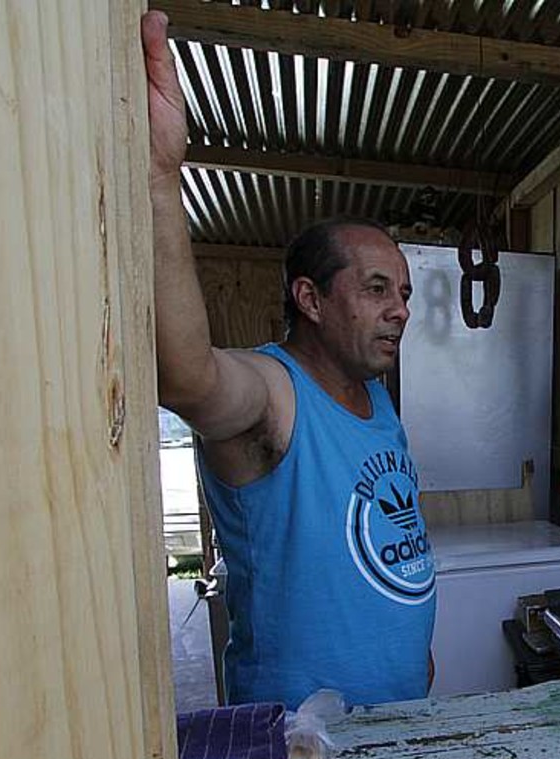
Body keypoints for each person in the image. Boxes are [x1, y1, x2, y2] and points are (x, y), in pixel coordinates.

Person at [142, 11, 434, 708]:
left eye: (403, 293)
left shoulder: (375, 395)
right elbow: (189, 378)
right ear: (310, 298)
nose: (400, 309)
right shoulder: (276, 391)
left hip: (400, 715)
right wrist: (160, 178)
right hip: (299, 738)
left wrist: (414, 652)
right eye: (376, 289)